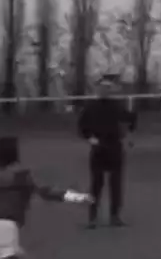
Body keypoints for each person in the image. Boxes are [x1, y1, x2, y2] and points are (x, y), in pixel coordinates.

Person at [0, 136, 93, 258]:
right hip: (8, 225)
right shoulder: (21, 177)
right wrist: (77, 197)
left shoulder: (21, 177)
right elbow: (47, 192)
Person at [78, 74, 137, 229]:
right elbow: (83, 127)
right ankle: (92, 217)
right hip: (98, 148)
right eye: (102, 88)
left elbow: (131, 121)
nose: (104, 90)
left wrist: (129, 135)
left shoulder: (118, 106)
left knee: (116, 184)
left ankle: (115, 215)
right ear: (98, 90)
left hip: (114, 147)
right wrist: (90, 138)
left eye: (107, 88)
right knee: (96, 184)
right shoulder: (90, 107)